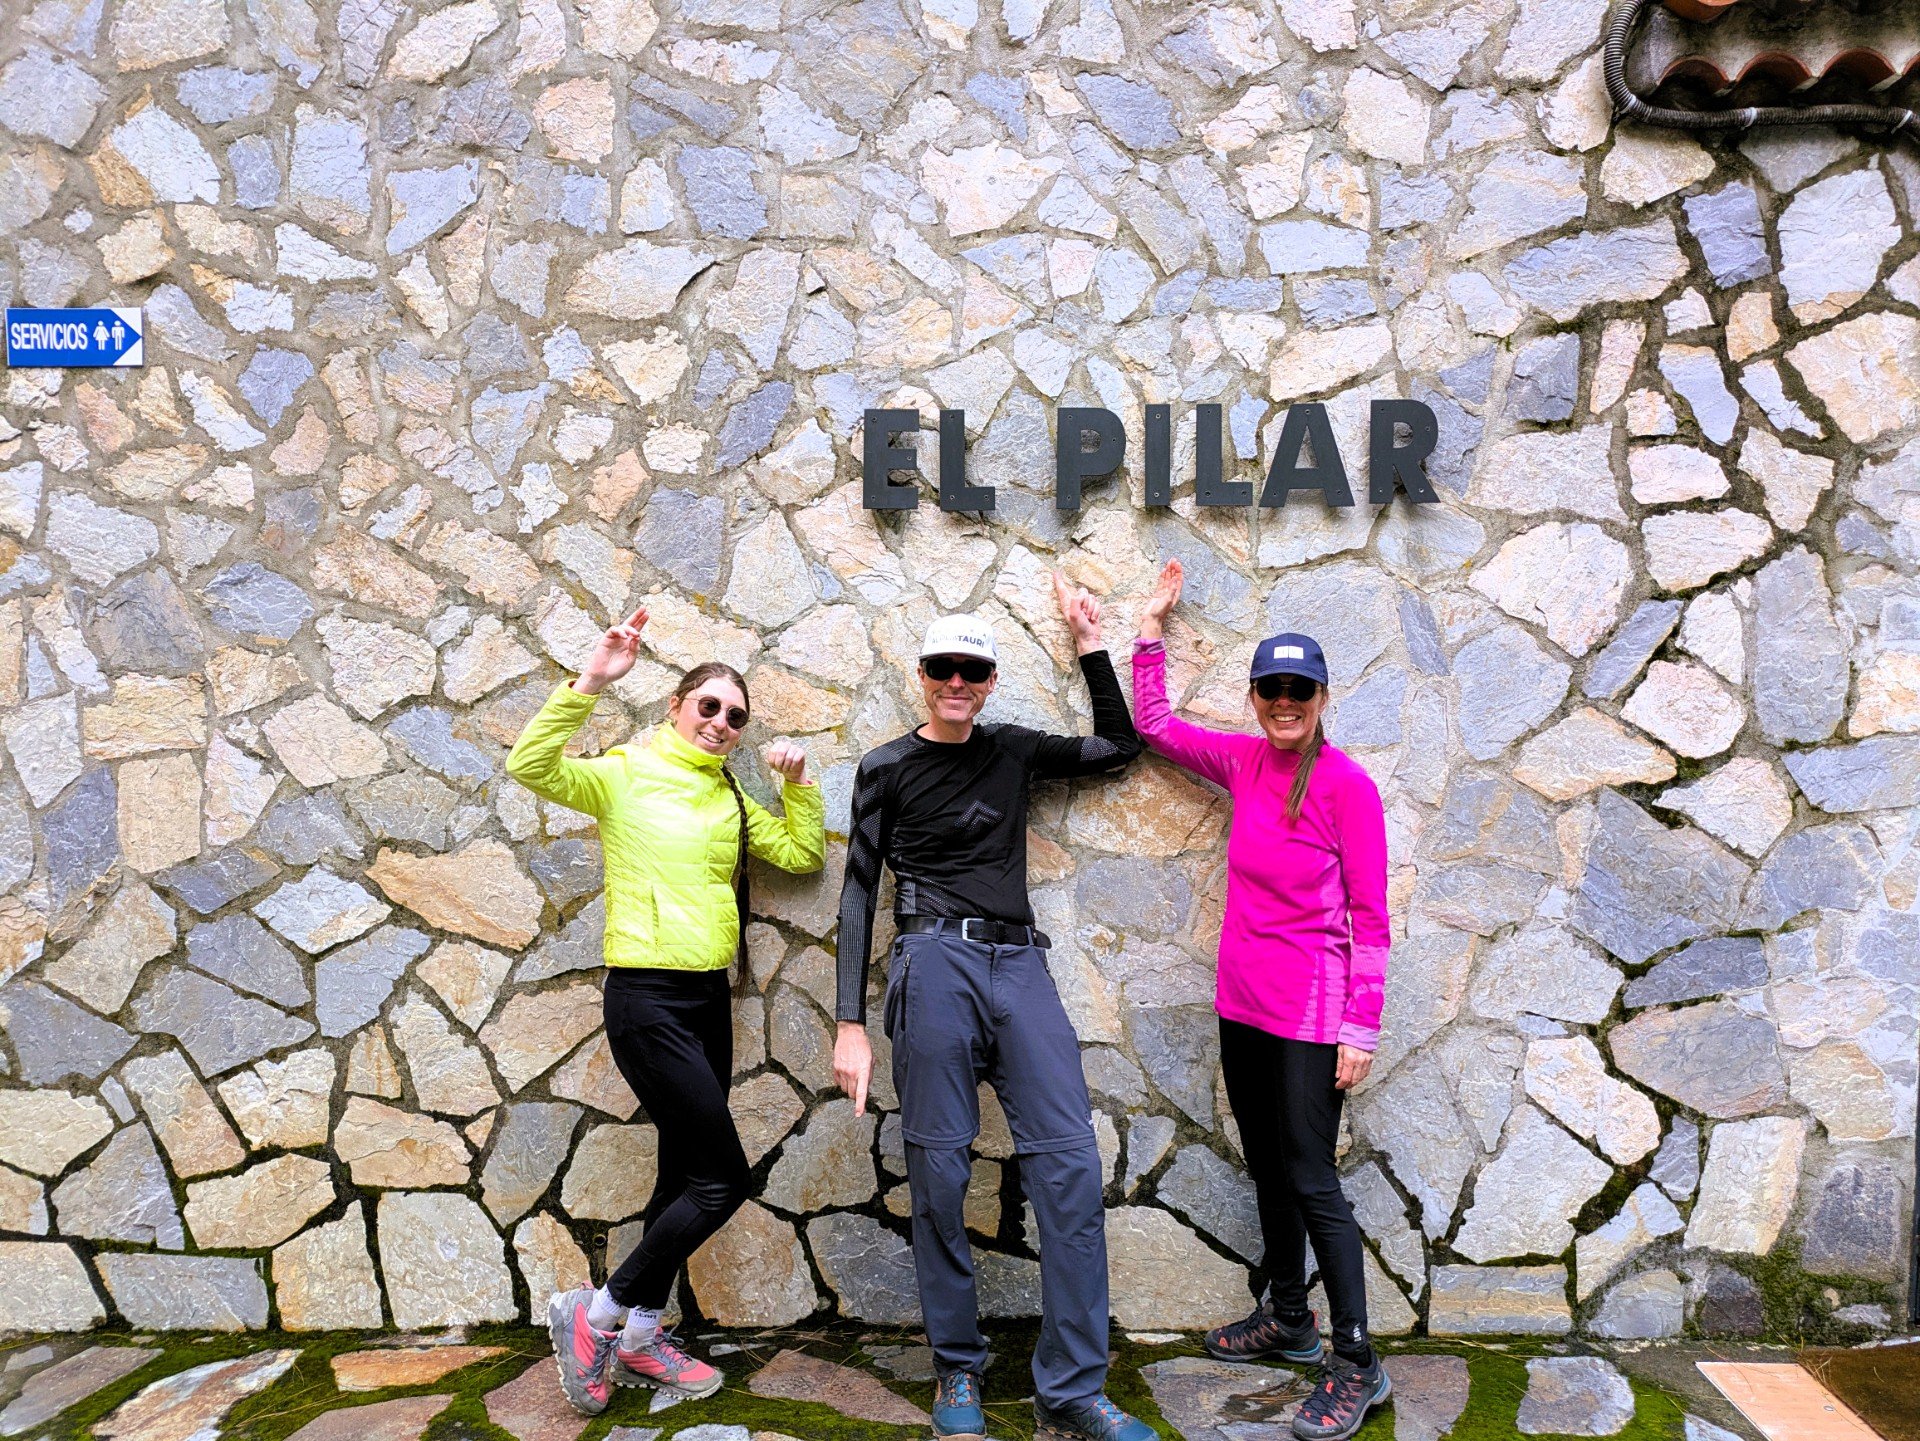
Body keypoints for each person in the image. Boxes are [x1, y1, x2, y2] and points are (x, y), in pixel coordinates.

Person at [833, 578, 1156, 1441]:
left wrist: (1091, 645)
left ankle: (1073, 1388)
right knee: (939, 1171)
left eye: (971, 671)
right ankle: (957, 1367)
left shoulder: (1011, 749)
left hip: (1019, 964)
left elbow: (1120, 745)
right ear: (921, 674)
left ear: (989, 681)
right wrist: (849, 1022)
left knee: (1070, 1163)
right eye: (943, 667)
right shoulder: (886, 767)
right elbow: (858, 889)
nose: (956, 682)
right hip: (931, 960)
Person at [506, 604, 825, 1417]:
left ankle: (644, 1334)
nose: (721, 722)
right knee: (725, 1181)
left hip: (706, 998)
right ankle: (598, 1314)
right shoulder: (623, 771)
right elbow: (530, 764)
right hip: (646, 997)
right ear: (677, 706)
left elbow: (799, 853)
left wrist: (796, 786)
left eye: (736, 716)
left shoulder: (731, 796)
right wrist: (592, 678)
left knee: (683, 1174)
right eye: (708, 705)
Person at [1131, 559, 1392, 1441]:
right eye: (1271, 689)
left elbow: (1371, 918)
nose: (1284, 702)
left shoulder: (1348, 786)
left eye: (1299, 690)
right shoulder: (1243, 761)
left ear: (1320, 697)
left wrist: (1361, 1025)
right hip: (1241, 1005)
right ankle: (1288, 1315)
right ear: (1254, 697)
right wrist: (1149, 629)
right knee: (1269, 1168)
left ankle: (1356, 1360)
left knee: (1312, 1177)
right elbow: (1155, 726)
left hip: (1312, 1016)